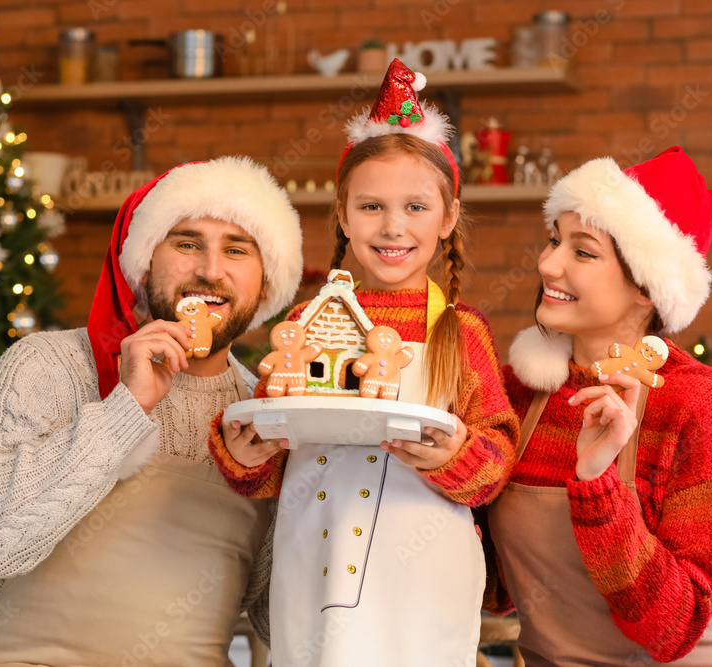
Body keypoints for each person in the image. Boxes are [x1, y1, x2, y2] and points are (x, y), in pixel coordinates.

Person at [208, 60, 519, 666]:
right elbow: (267, 458)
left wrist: (456, 459)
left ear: (449, 218)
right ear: (343, 215)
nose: (393, 226)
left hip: (424, 581)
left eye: (416, 207)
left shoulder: (461, 332)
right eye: (372, 207)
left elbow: (498, 459)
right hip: (313, 569)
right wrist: (242, 457)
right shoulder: (302, 327)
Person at [0, 157, 303, 665]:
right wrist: (126, 409)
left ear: (266, 285)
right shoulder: (52, 365)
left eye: (237, 249)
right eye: (187, 243)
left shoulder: (271, 415)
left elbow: (278, 615)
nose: (210, 270)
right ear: (142, 263)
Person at [488, 147, 712, 665]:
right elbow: (495, 593)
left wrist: (597, 486)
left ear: (646, 289)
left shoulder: (696, 404)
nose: (548, 263)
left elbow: (673, 629)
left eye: (583, 252)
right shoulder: (519, 389)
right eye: (553, 241)